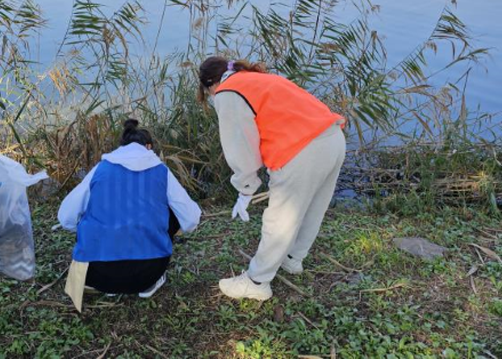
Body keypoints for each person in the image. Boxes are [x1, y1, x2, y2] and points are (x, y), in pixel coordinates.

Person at [198, 56, 346, 301]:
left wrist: (245, 187)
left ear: (210, 85)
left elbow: (241, 145)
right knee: (313, 207)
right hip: (332, 137)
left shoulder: (227, 92)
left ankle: (257, 281)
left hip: (302, 149)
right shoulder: (257, 79)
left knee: (279, 219)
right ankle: (292, 258)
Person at [58, 119, 201, 306]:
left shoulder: (100, 169)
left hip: (97, 274)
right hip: (148, 274)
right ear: (149, 147)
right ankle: (150, 282)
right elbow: (190, 220)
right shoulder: (161, 171)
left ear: (121, 146)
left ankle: (111, 285)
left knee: (88, 209)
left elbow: (66, 217)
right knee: (172, 213)